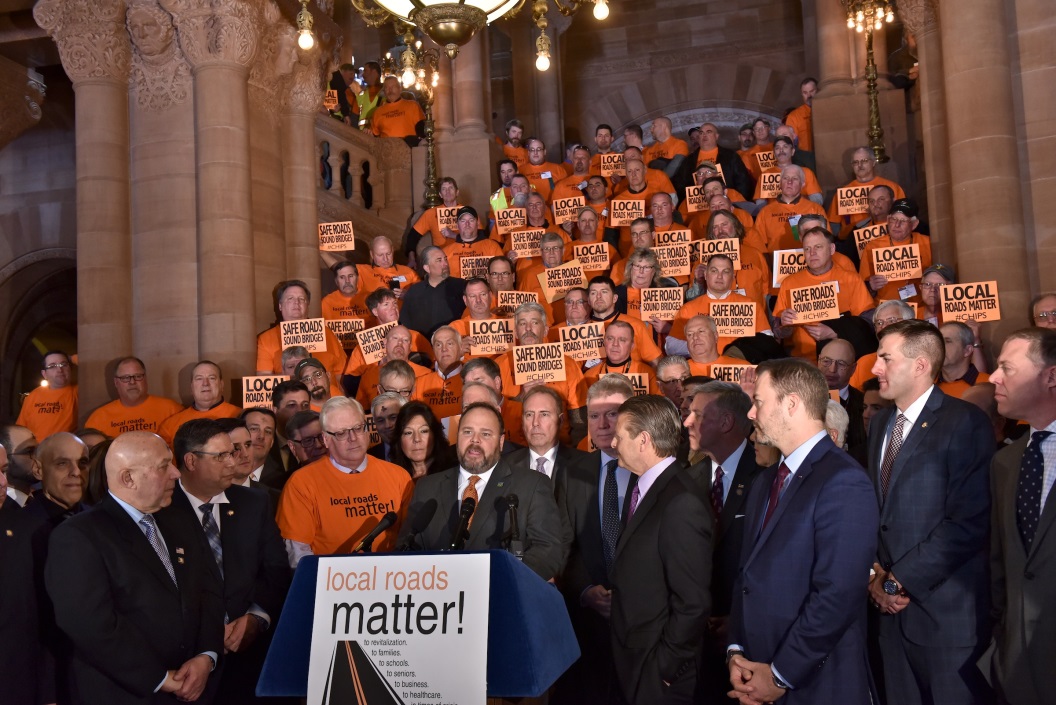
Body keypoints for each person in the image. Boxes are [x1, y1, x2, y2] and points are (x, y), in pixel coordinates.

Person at [728, 358, 879, 705]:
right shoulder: (765, 480)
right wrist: (735, 651)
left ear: (791, 404)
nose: (751, 414)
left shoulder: (844, 480)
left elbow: (838, 594)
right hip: (755, 673)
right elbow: (746, 576)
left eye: (759, 402)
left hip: (816, 683)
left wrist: (781, 674)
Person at [44, 431, 224, 704]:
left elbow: (209, 591)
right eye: (164, 466)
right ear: (128, 478)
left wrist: (206, 656)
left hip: (194, 688)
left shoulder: (180, 522)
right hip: (124, 693)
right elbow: (89, 624)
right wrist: (160, 678)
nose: (176, 473)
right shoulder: (78, 536)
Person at [867, 319, 994, 703]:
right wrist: (873, 575)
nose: (874, 368)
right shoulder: (879, 426)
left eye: (885, 359)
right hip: (888, 618)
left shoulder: (964, 422)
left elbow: (969, 522)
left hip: (945, 622)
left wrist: (896, 581)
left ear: (921, 365)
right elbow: (876, 513)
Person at [165, 419, 290, 704]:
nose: (233, 463)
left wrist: (257, 618)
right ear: (191, 461)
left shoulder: (254, 503)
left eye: (232, 453)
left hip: (249, 661)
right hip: (187, 666)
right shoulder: (162, 511)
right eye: (221, 455)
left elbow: (275, 571)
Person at [608, 394, 712, 705]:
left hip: (659, 675)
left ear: (643, 440)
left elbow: (692, 602)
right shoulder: (646, 486)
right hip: (635, 661)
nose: (613, 444)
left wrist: (665, 667)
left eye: (619, 435)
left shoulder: (681, 502)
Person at [396, 402, 566, 579]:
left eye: (485, 434)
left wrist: (504, 581)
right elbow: (407, 548)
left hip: (502, 597)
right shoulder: (427, 487)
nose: (475, 440)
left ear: (501, 442)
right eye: (467, 432)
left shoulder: (531, 485)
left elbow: (548, 550)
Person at [554, 375, 634, 705]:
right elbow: (563, 545)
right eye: (594, 415)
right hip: (587, 628)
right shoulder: (572, 472)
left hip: (640, 624)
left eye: (612, 414)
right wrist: (586, 591)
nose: (602, 424)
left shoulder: (654, 471)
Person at [682, 381, 763, 703]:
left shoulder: (765, 476)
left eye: (698, 414)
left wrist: (740, 621)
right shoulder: (687, 479)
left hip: (750, 645)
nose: (687, 421)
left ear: (726, 422)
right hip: (695, 641)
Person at [988, 328, 1056, 705]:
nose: (994, 378)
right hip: (1017, 670)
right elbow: (1001, 564)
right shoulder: (1005, 462)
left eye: (1006, 369)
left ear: (1051, 376)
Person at [276, 397, 412, 566]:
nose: (353, 438)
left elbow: (410, 539)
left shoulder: (399, 476)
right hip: (331, 583)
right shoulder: (301, 484)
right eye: (341, 433)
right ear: (326, 439)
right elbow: (298, 554)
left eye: (358, 428)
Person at [774, 227, 875, 359]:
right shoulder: (789, 283)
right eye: (807, 249)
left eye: (818, 247)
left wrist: (835, 332)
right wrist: (784, 324)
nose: (812, 253)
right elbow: (778, 333)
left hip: (840, 359)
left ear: (832, 249)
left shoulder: (851, 279)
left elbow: (867, 322)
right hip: (801, 360)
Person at [505, 385, 587, 500]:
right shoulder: (505, 466)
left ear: (561, 421)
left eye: (544, 414)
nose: (535, 423)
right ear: (522, 421)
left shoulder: (583, 465)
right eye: (529, 414)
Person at [255, 280, 347, 381]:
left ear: (308, 305)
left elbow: (342, 373)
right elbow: (264, 379)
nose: (296, 302)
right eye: (290, 299)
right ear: (280, 306)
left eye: (302, 299)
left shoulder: (327, 333)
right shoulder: (266, 339)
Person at [85, 357, 183, 438]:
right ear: (116, 382)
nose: (132, 382)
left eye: (138, 376)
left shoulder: (172, 410)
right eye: (125, 378)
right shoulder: (98, 419)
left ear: (145, 379)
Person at [858, 198, 932, 303]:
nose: (896, 225)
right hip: (885, 307)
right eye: (893, 219)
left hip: (919, 306)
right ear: (888, 220)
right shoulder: (873, 246)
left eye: (903, 220)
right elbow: (861, 288)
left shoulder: (927, 243)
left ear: (914, 224)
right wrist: (871, 286)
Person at [826, 146, 906, 237]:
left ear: (873, 162)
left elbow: (905, 216)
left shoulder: (892, 187)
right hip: (852, 243)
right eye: (856, 162)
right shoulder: (842, 193)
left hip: (885, 239)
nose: (860, 165)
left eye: (864, 161)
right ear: (852, 166)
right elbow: (833, 224)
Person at [157, 361, 241, 446]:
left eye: (212, 378)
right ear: (191, 387)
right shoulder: (170, 426)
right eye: (199, 379)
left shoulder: (239, 416)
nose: (205, 384)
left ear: (221, 385)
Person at [751, 165, 828, 253]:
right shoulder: (765, 212)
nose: (789, 182)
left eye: (795, 178)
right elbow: (759, 246)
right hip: (775, 264)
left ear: (802, 184)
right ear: (780, 183)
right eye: (785, 178)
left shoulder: (816, 209)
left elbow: (826, 241)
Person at [400, 246, 468, 339]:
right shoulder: (414, 291)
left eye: (445, 259)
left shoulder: (461, 285)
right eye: (439, 260)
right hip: (423, 347)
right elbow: (406, 323)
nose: (445, 264)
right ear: (427, 268)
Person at [818, 338, 868, 461]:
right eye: (826, 361)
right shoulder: (801, 398)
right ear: (818, 361)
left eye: (841, 364)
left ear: (853, 369)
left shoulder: (865, 403)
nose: (832, 369)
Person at [16, 350, 79, 440]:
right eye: (52, 366)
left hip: (64, 450)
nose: (59, 370)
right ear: (44, 374)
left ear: (70, 368)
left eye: (64, 364)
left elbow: (94, 368)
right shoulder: (33, 396)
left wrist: (72, 358)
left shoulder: (78, 392)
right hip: (36, 451)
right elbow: (20, 429)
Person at [389, 400, 453, 481]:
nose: (417, 439)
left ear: (435, 434)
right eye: (408, 433)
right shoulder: (391, 477)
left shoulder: (453, 473)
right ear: (399, 440)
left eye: (424, 431)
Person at [442, 206, 504, 280]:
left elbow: (502, 273)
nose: (467, 224)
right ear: (457, 225)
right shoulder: (445, 252)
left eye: (471, 220)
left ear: (477, 223)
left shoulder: (492, 246)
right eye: (463, 221)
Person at [938, 321, 991, 398]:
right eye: (938, 341)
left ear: (967, 350)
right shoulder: (926, 385)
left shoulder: (989, 385)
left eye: (948, 341)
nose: (940, 346)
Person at [370, 76, 424, 145]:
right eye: (387, 88)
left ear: (400, 89)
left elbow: (423, 132)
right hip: (386, 150)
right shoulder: (377, 112)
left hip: (409, 149)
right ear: (384, 92)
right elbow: (374, 136)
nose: (390, 90)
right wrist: (368, 133)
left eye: (393, 87)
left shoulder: (413, 106)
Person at [320, 260, 372, 327]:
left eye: (350, 276)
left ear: (357, 278)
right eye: (342, 277)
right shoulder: (326, 303)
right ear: (336, 281)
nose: (347, 281)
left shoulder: (370, 298)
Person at [521, 137, 568, 204]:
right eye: (532, 150)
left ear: (544, 152)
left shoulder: (558, 169)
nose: (535, 152)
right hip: (529, 209)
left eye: (539, 149)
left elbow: (566, 191)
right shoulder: (520, 171)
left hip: (552, 209)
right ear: (528, 153)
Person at [1, 424, 39, 507]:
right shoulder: (3, 512)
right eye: (30, 451)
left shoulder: (45, 501)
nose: (39, 457)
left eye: (39, 450)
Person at [367, 391, 406, 462]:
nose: (387, 425)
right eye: (380, 420)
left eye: (393, 417)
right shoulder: (369, 458)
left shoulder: (420, 452)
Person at [784, 77, 816, 152]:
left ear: (817, 90)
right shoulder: (794, 116)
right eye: (805, 93)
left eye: (812, 91)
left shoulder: (828, 110)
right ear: (801, 94)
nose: (809, 95)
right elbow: (790, 143)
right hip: (805, 160)